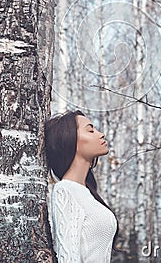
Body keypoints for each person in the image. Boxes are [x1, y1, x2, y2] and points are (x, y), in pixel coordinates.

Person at [44, 110, 119, 262]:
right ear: (70, 140)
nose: (101, 134)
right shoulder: (64, 191)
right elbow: (68, 258)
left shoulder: (86, 193)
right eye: (90, 130)